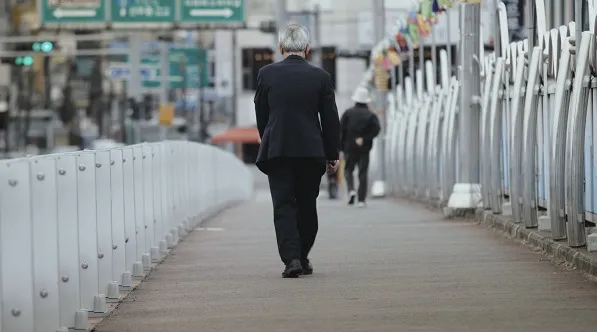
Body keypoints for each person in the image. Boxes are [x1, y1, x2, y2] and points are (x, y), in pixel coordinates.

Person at [254, 24, 341, 278]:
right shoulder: (321, 77)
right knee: (306, 204)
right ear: (307, 48)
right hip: (311, 151)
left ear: (280, 48)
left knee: (282, 205)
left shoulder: (266, 74)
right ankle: (303, 255)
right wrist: (332, 153)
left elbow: (262, 112)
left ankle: (291, 259)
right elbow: (330, 118)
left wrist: (267, 138)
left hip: (278, 150)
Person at [340, 86, 381, 208]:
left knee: (348, 170)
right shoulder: (371, 115)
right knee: (363, 173)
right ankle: (361, 199)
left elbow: (341, 130)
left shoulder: (348, 113)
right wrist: (365, 138)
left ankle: (351, 190)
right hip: (364, 149)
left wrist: (341, 147)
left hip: (349, 148)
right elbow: (376, 129)